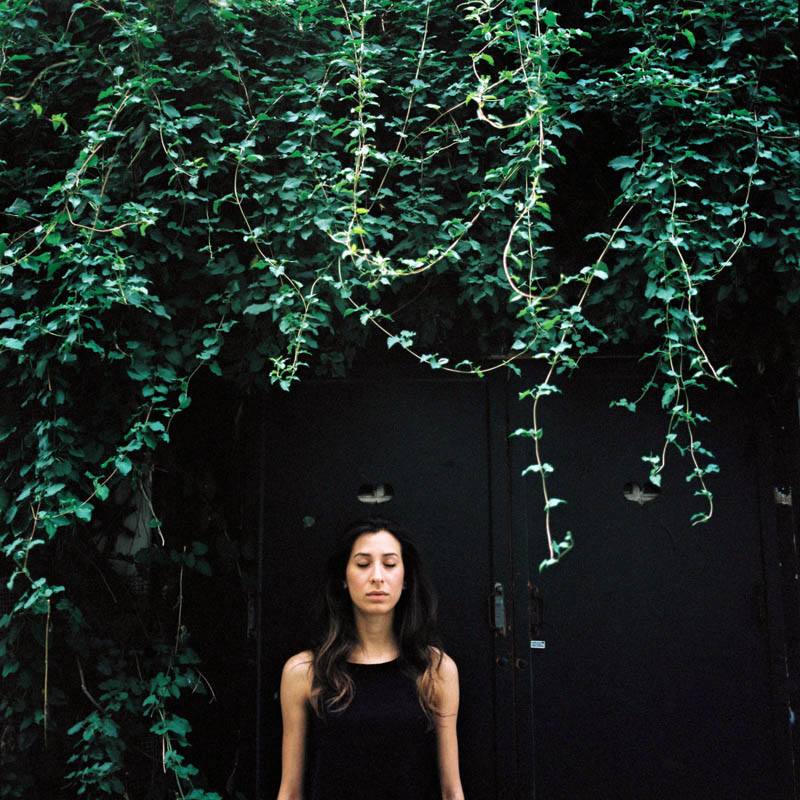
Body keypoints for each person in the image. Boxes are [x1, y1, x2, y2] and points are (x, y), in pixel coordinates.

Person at [276, 517, 465, 800]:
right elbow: (290, 791)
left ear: (405, 580)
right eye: (363, 564)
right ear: (343, 577)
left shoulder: (436, 670)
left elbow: (451, 790)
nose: (377, 576)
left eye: (389, 564)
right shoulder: (304, 672)